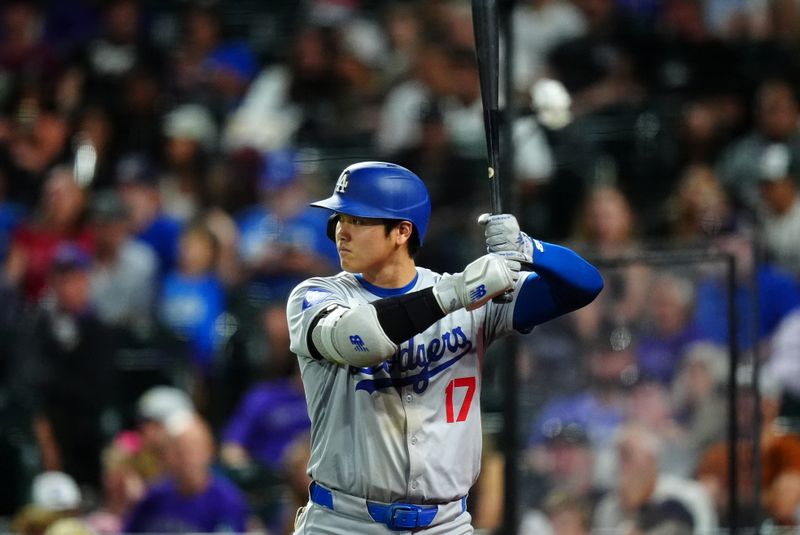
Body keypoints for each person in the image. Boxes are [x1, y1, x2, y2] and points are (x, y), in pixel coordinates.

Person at [285, 161, 603, 533]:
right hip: (344, 522)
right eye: (340, 219)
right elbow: (363, 340)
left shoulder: (470, 298)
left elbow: (585, 284)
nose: (342, 231)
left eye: (358, 220)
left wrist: (529, 249)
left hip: (446, 524)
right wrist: (456, 293)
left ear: (402, 231)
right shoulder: (317, 295)